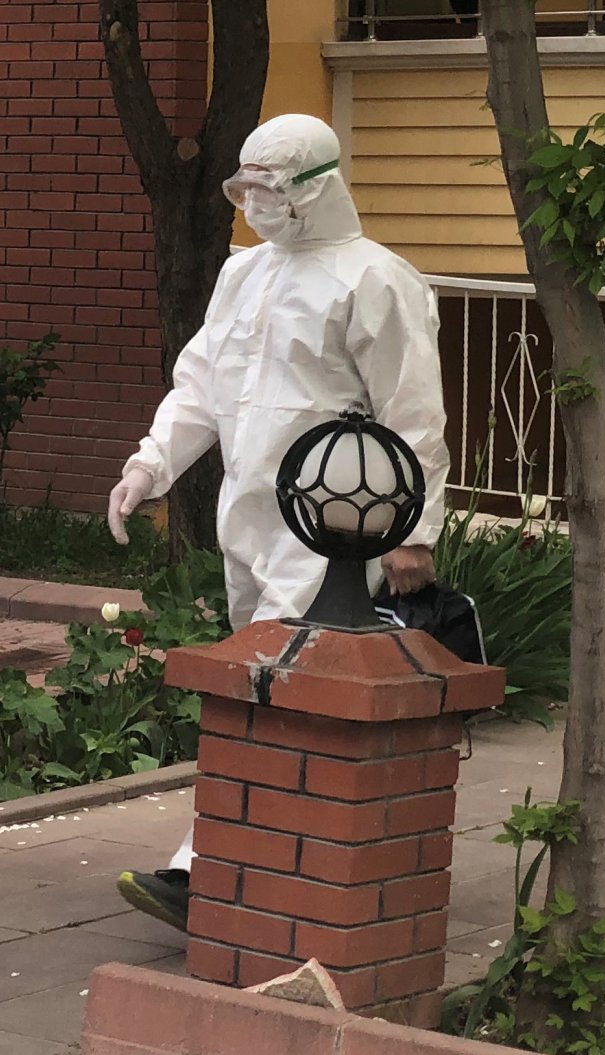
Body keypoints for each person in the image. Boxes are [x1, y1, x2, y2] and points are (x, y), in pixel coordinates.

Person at [106, 114, 451, 931]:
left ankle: (208, 869)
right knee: (251, 682)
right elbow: (201, 385)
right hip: (250, 514)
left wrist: (413, 529)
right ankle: (271, 856)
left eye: (270, 186)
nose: (255, 201)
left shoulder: (376, 280)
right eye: (245, 186)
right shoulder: (243, 275)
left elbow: (413, 413)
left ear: (318, 184)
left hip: (336, 524)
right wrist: (150, 464)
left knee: (274, 683)